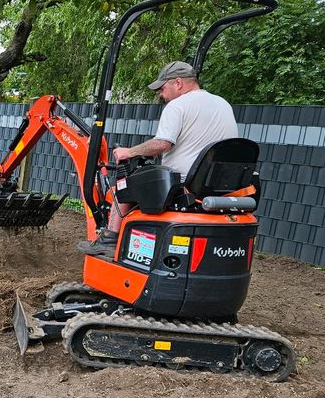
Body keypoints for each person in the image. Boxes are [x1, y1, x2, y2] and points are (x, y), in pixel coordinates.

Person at [79, 61, 237, 257]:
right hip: (218, 185)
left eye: (162, 88)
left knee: (124, 184)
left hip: (182, 185)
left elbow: (162, 143)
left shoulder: (178, 106)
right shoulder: (223, 104)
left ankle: (110, 239)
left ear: (178, 83)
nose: (161, 95)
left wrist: (129, 152)